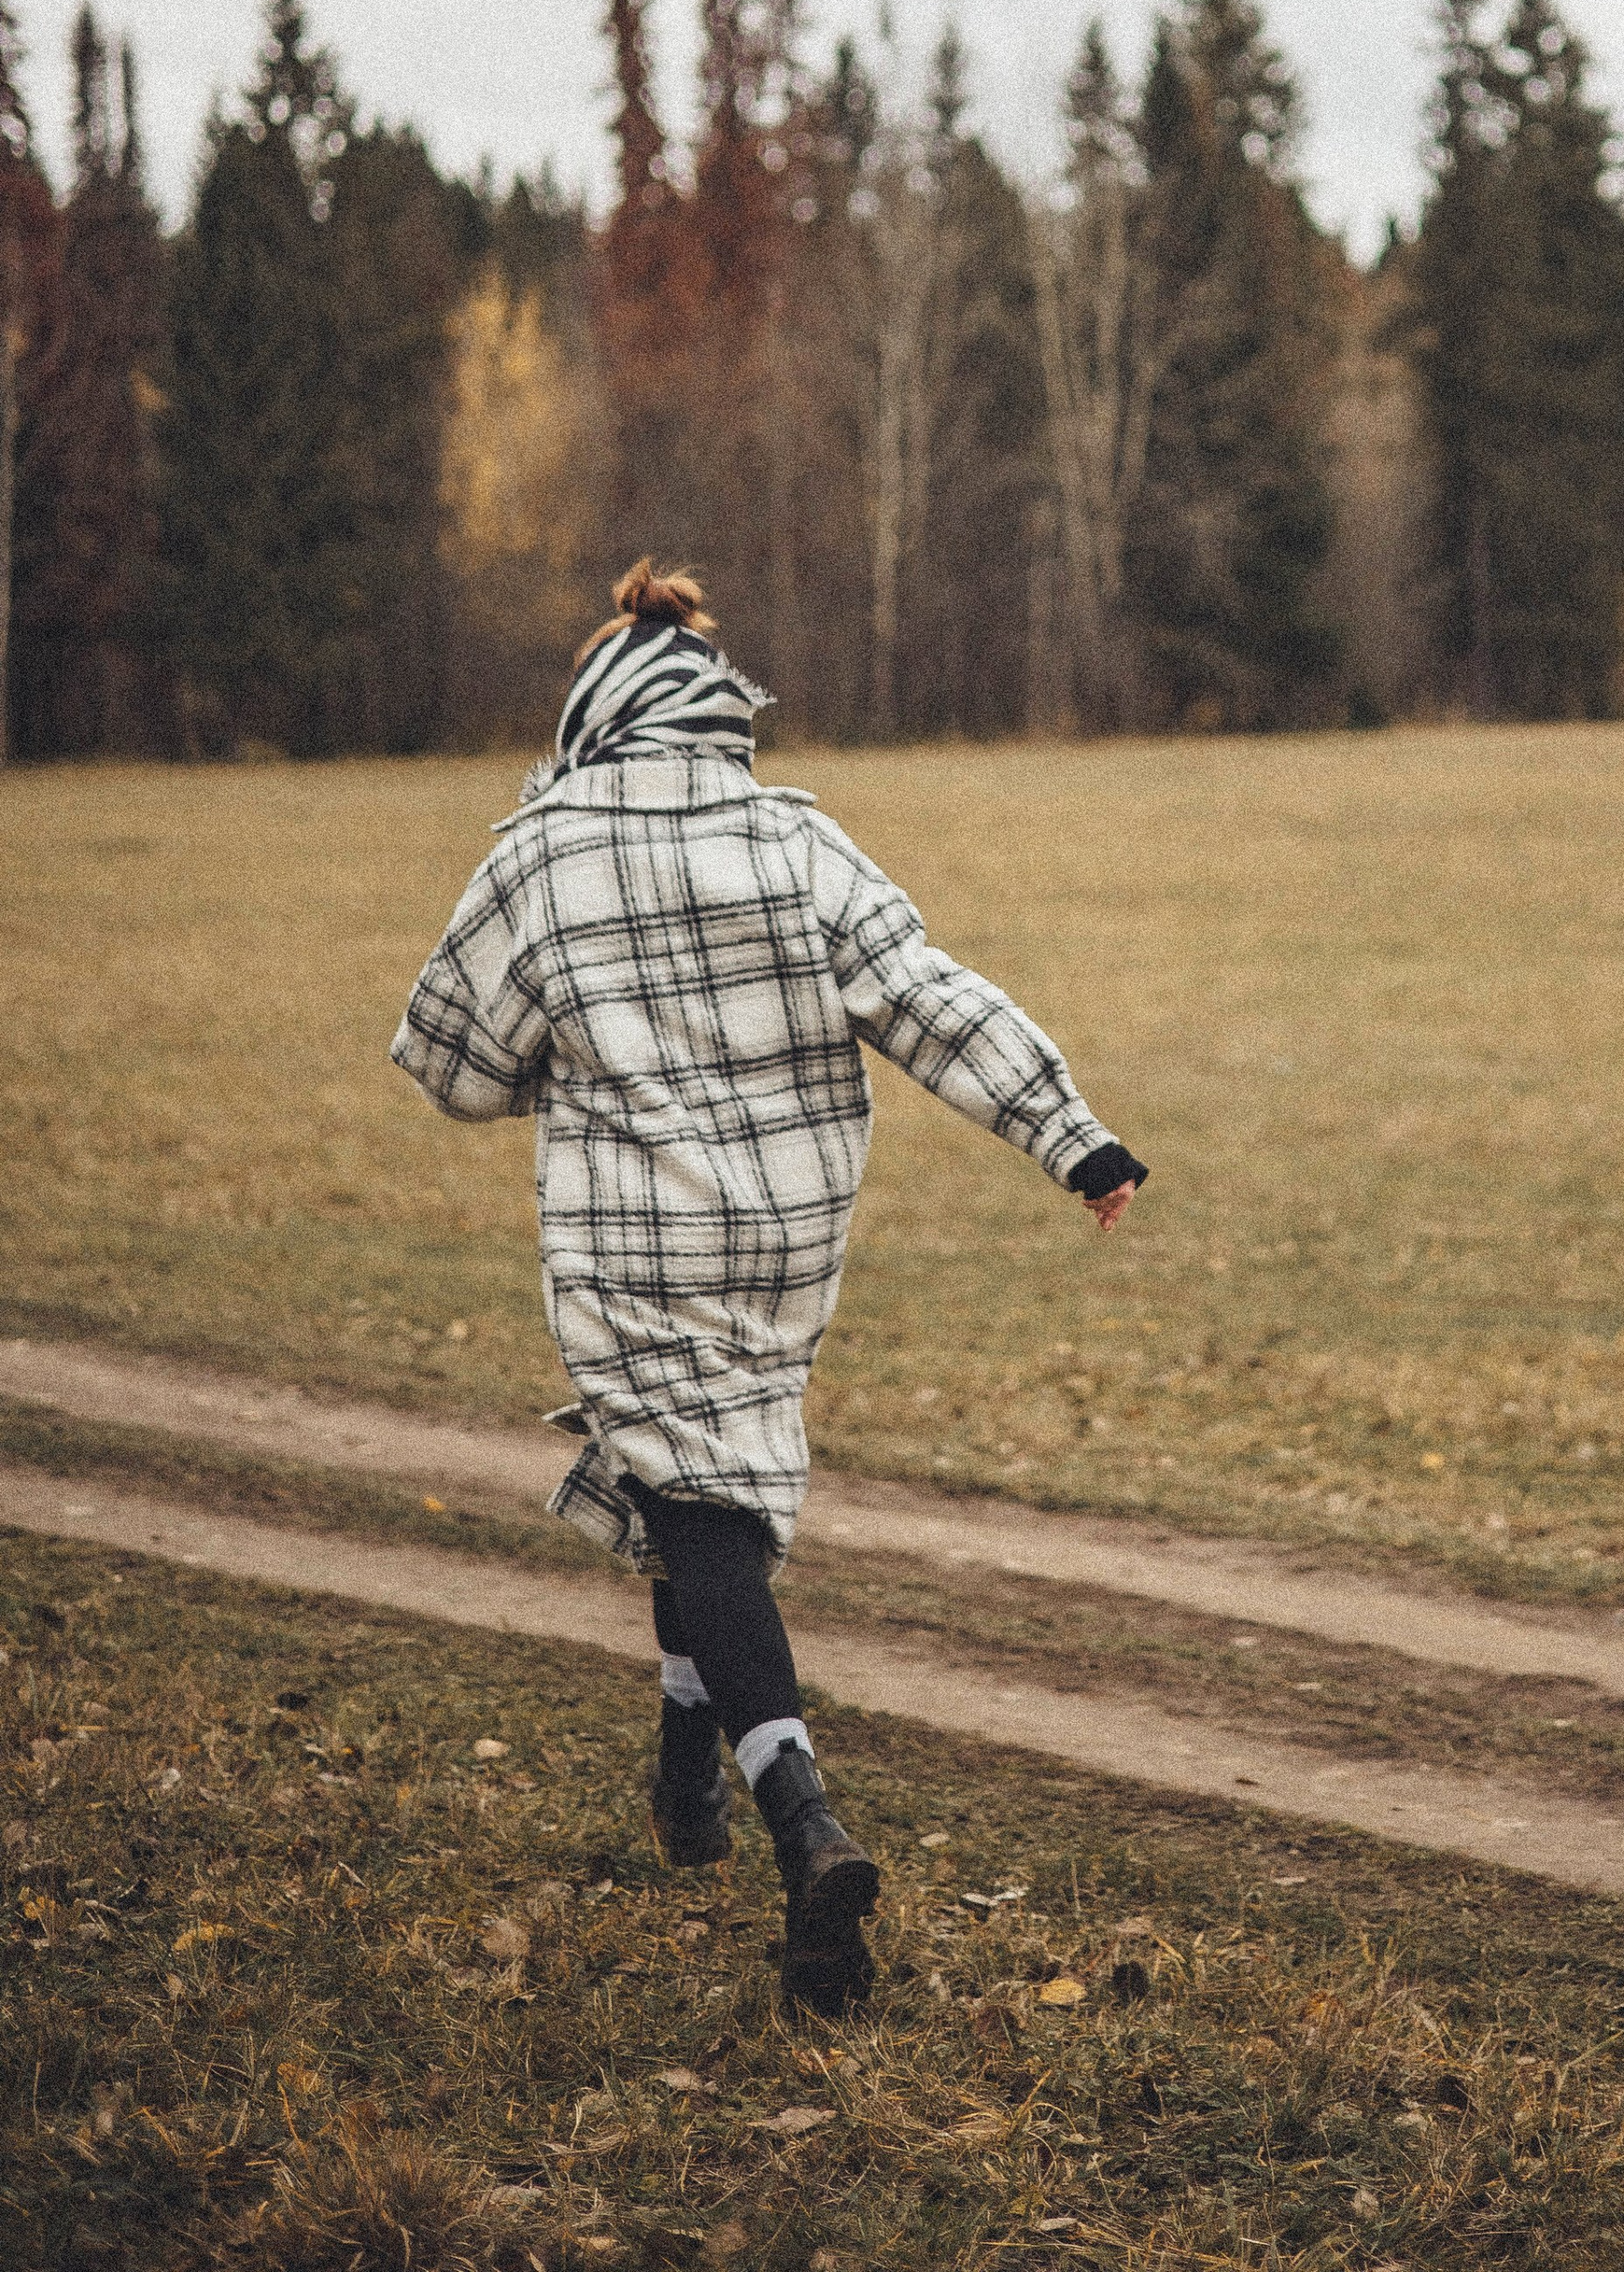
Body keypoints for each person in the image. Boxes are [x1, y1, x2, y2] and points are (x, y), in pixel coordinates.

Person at [390, 558, 1146, 2016]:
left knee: (697, 1510)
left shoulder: (540, 855)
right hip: (786, 1240)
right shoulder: (800, 844)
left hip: (632, 1243)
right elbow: (928, 997)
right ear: (721, 720)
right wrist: (1077, 1139)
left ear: (592, 719)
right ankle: (687, 1761)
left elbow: (454, 1069)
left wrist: (580, 1032)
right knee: (702, 1487)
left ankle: (801, 1818)